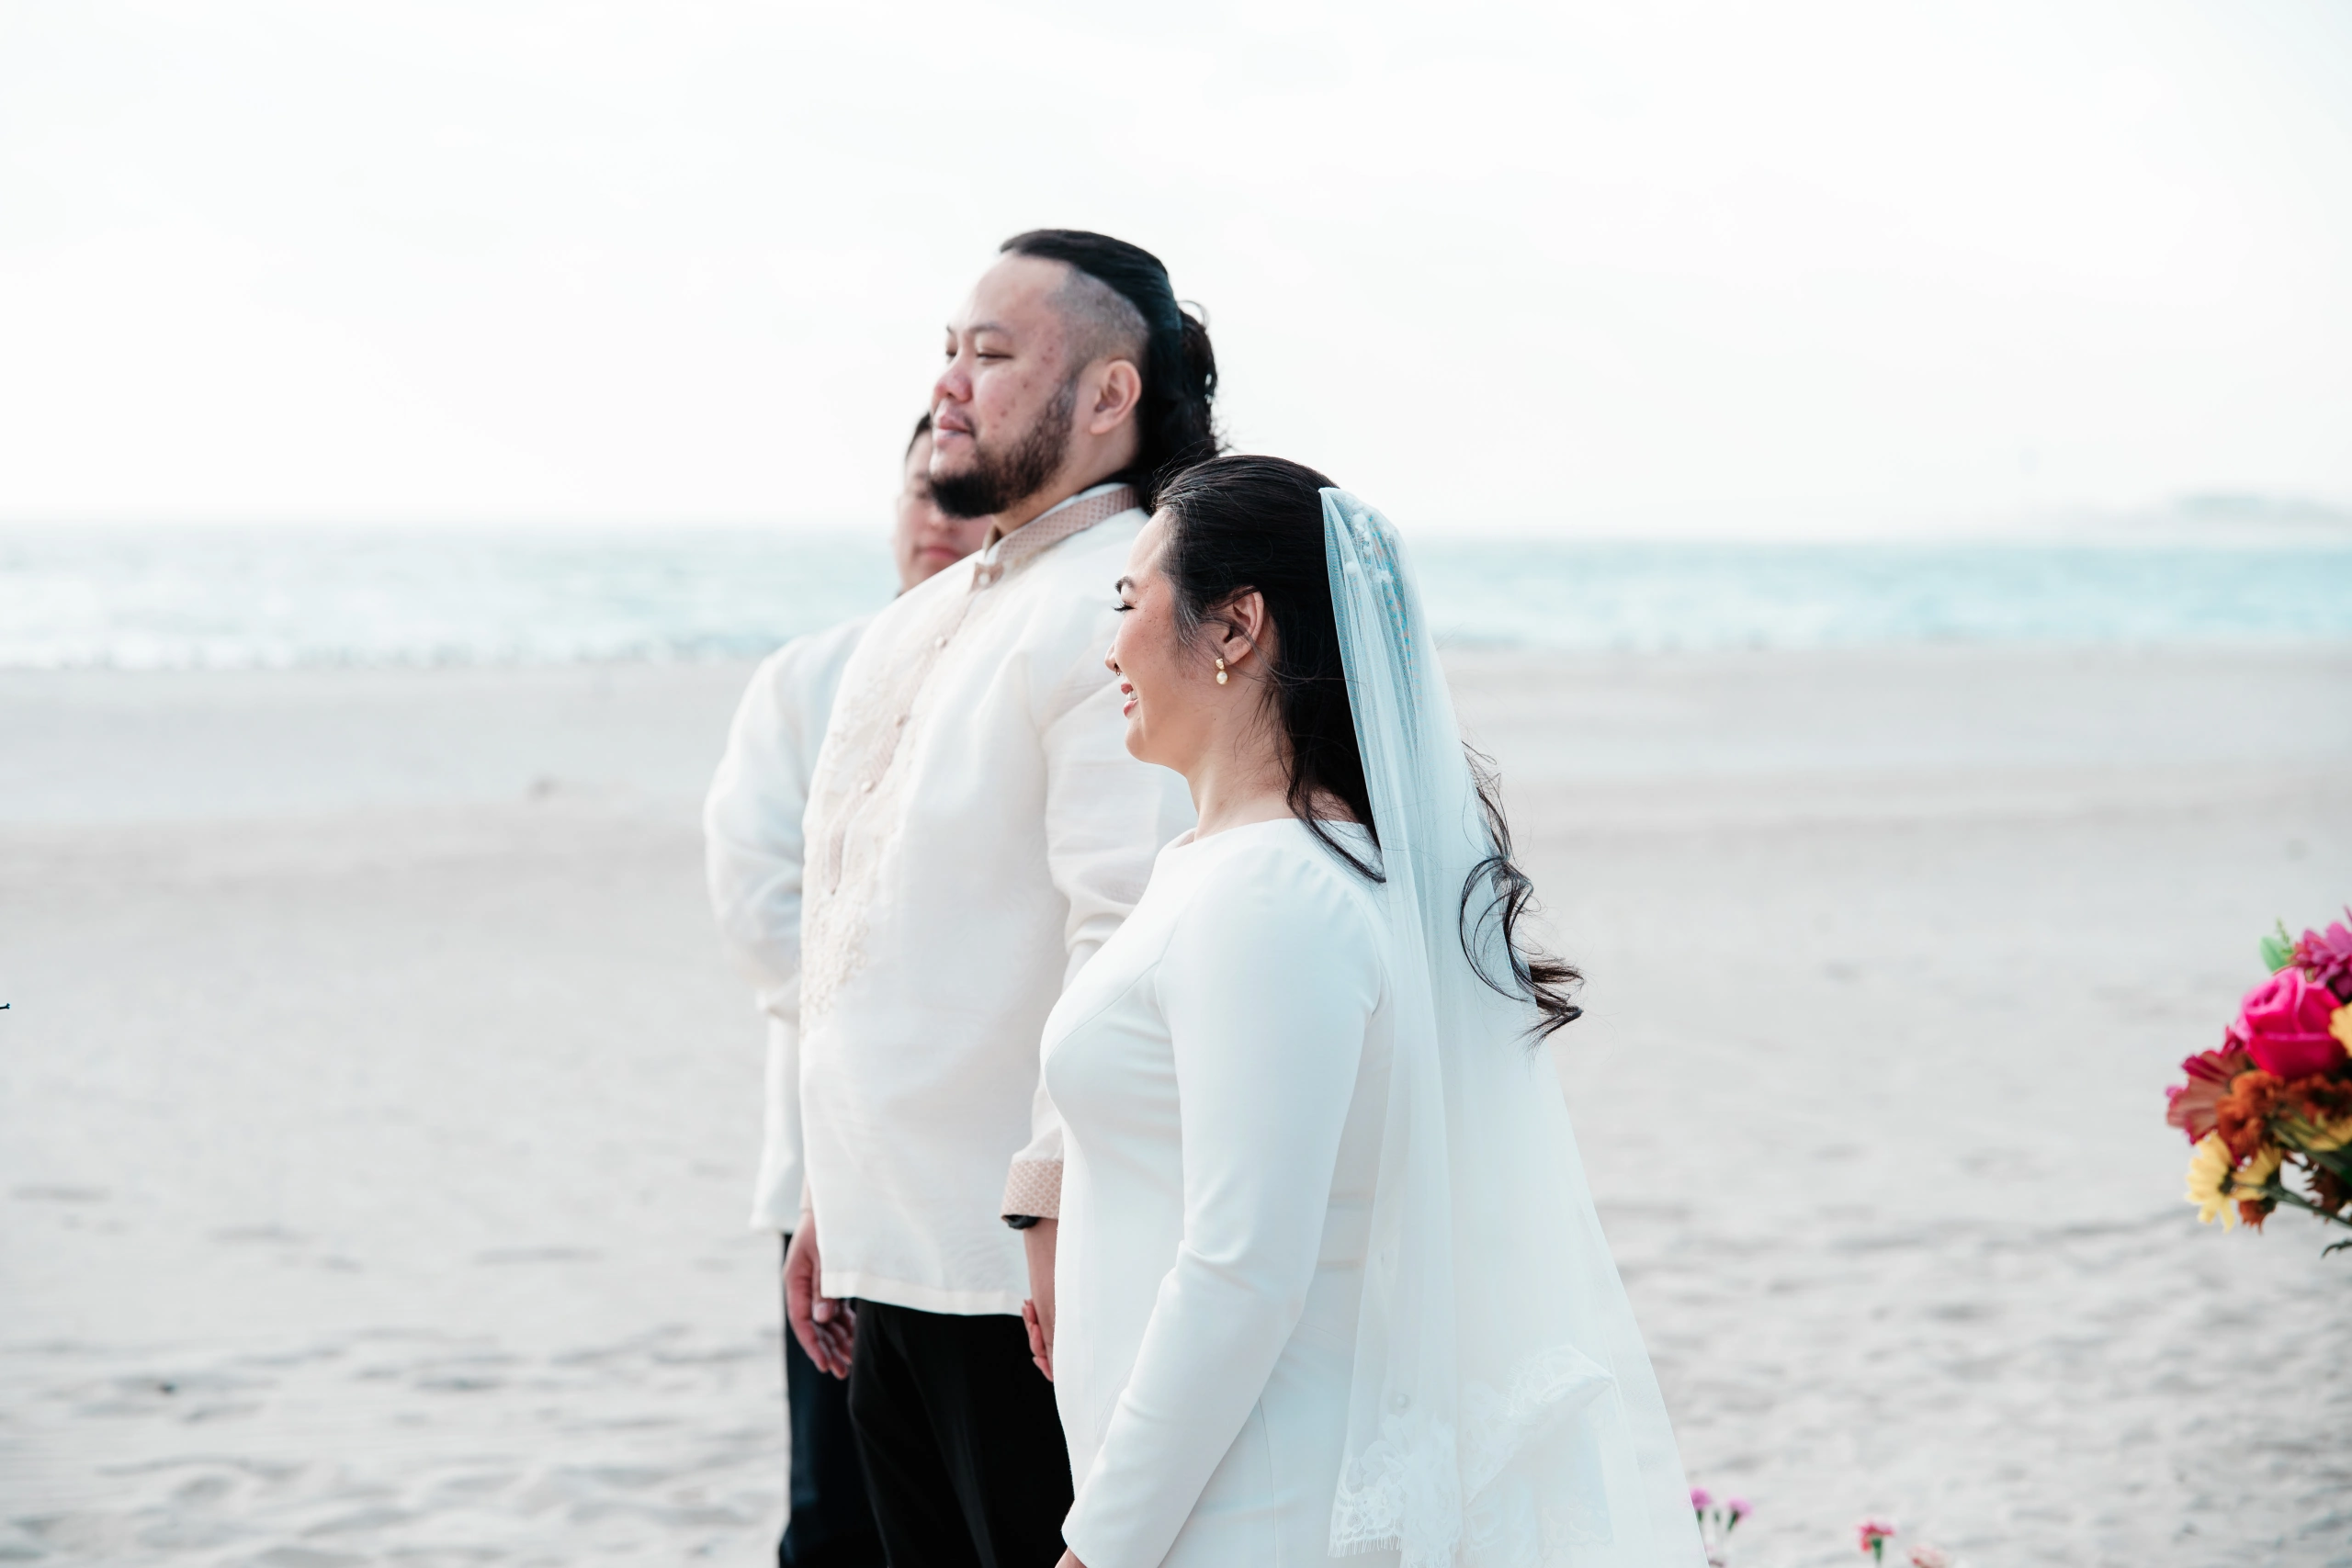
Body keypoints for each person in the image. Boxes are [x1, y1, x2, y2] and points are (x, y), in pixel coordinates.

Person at [1021, 456, 1707, 1566]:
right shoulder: (1232, 868)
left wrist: (1098, 1545)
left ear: (1236, 626)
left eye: (1127, 601)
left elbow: (1242, 1269)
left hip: (1249, 1504)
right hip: (1201, 1484)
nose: (1109, 649)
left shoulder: (1275, 896)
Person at [786, 231, 1213, 1568]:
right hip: (887, 1245)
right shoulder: (932, 611)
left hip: (1017, 1276)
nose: (951, 384)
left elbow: (1126, 934)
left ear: (1108, 395)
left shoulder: (1127, 595)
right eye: (949, 351)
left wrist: (1051, 1207)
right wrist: (826, 1188)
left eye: (993, 352)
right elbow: (868, 921)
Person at [704, 412, 990, 1568]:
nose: (938, 518)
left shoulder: (1065, 672)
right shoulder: (805, 682)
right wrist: (903, 1058)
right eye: (920, 492)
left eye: (964, 497)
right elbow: (760, 911)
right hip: (837, 1162)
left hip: (1000, 1172)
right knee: (837, 1513)